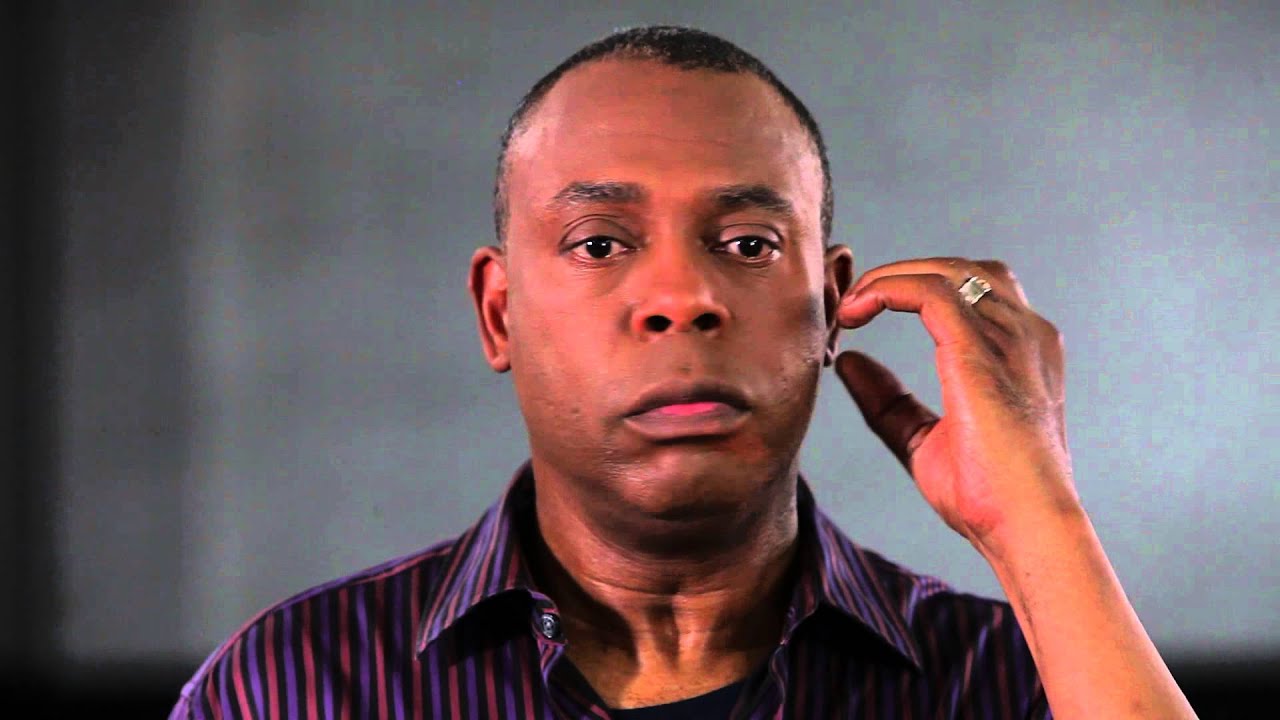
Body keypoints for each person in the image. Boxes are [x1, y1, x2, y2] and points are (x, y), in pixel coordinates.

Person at [170, 26, 1197, 719]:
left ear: (831, 303)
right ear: (498, 312)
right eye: (599, 243)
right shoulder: (292, 689)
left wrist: (1034, 521)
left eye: (748, 244)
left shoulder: (1015, 683)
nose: (682, 296)